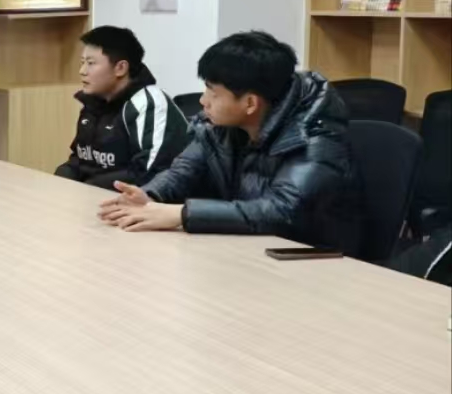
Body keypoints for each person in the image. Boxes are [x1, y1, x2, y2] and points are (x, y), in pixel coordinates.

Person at [98, 30, 362, 253]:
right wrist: (150, 196)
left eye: (213, 92)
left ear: (250, 103)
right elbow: (183, 171)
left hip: (315, 258)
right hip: (252, 248)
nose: (203, 100)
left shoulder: (314, 136)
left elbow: (282, 211)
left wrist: (180, 214)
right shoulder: (222, 125)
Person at [54, 26, 188, 189]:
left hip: (142, 200)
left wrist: (87, 189)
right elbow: (81, 159)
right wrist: (61, 178)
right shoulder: (94, 101)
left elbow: (148, 172)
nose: (82, 71)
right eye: (82, 63)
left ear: (121, 68)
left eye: (91, 63)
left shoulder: (149, 104)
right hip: (96, 194)